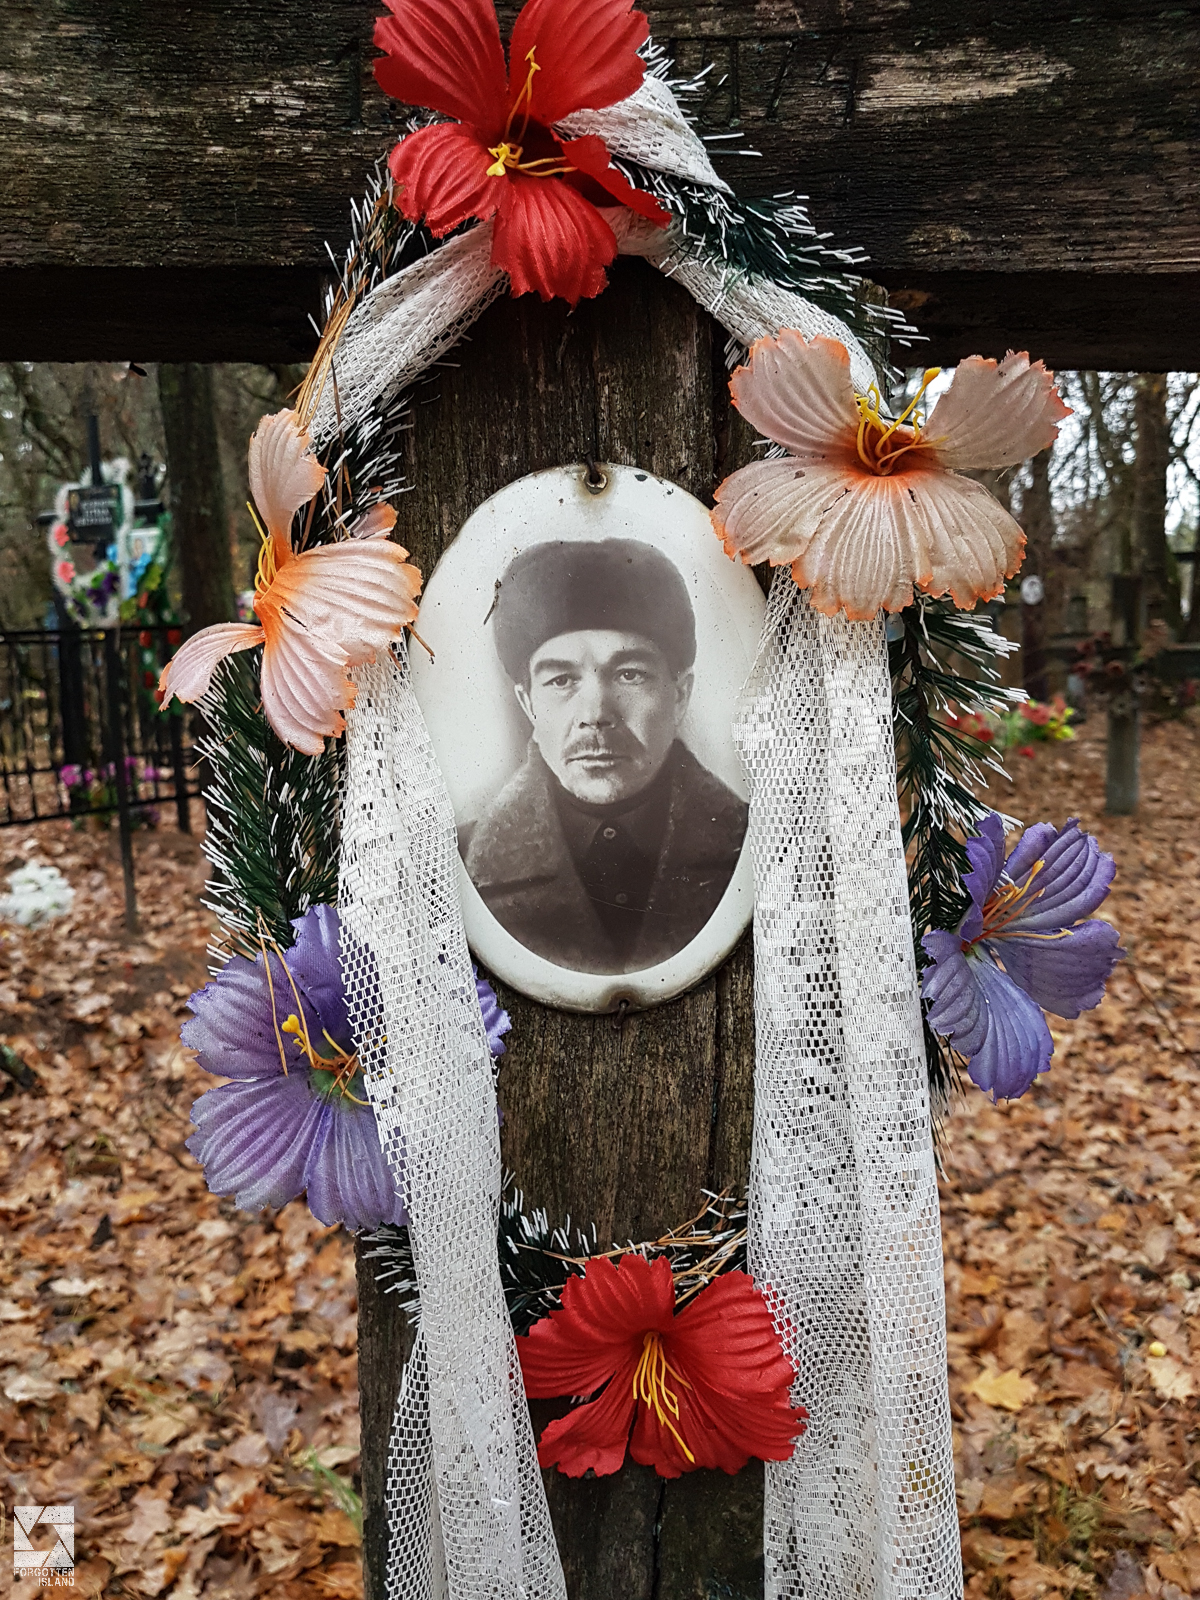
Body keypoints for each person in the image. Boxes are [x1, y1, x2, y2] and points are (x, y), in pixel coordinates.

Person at [460, 539, 748, 975]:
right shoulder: (458, 864)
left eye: (630, 675)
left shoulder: (758, 845)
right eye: (561, 680)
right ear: (528, 703)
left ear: (679, 695)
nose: (595, 715)